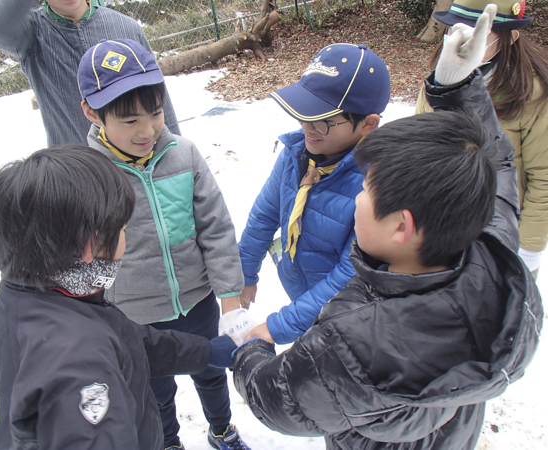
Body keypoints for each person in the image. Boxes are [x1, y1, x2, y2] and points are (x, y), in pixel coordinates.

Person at [225, 5, 543, 449]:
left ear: (401, 226)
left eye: (366, 194)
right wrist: (456, 87)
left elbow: (277, 400)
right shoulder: (487, 251)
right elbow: (499, 164)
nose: (358, 197)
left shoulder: (355, 344)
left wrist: (252, 348)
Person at [0, 146, 238, 450]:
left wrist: (206, 352)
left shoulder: (32, 296)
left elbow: (122, 341)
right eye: (124, 229)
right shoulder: (80, 365)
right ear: (91, 244)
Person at [77, 39, 251, 450]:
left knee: (210, 369)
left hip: (197, 301)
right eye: (129, 120)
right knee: (155, 388)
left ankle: (222, 429)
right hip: (136, 314)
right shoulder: (89, 176)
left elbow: (216, 228)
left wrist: (229, 298)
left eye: (155, 113)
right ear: (91, 111)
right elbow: (84, 256)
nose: (147, 130)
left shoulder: (184, 155)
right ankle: (168, 443)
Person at [237, 43, 391, 344]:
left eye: (322, 119)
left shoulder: (376, 184)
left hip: (351, 315)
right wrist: (244, 274)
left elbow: (351, 273)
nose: (306, 126)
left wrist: (282, 325)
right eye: (303, 112)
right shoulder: (296, 154)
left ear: (368, 125)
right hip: (303, 295)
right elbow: (265, 215)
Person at [415, 0, 548, 279]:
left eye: (478, 31)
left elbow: (543, 176)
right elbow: (417, 143)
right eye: (455, 28)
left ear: (511, 36)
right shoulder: (440, 77)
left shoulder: (533, 93)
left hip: (498, 232)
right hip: (441, 228)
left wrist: (527, 248)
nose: (464, 38)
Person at [0, 0, 181, 146]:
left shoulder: (125, 26)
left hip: (138, 162)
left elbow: (157, 97)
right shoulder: (32, 36)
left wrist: (175, 149)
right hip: (77, 171)